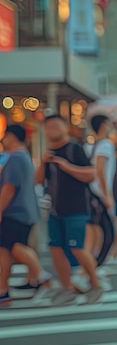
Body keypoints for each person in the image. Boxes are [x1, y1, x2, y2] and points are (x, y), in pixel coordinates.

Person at [34, 115, 103, 305]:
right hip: (55, 210)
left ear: (65, 128)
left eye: (56, 125)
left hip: (77, 209)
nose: (52, 129)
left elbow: (90, 174)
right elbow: (38, 180)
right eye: (48, 126)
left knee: (77, 248)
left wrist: (66, 166)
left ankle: (95, 283)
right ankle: (67, 287)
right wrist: (43, 162)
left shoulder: (74, 148)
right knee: (55, 248)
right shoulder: (49, 153)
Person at [0, 125, 52, 303]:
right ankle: (4, 289)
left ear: (12, 136)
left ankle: (40, 275)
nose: (3, 139)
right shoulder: (23, 156)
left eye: (5, 136)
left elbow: (9, 188)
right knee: (6, 249)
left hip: (15, 211)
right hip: (24, 211)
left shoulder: (15, 158)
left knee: (14, 247)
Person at [86, 115, 117, 261]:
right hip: (99, 193)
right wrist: (106, 195)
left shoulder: (91, 145)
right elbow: (100, 170)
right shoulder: (105, 145)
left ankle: (90, 265)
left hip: (91, 192)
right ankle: (95, 264)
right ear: (104, 125)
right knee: (104, 231)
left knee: (94, 230)